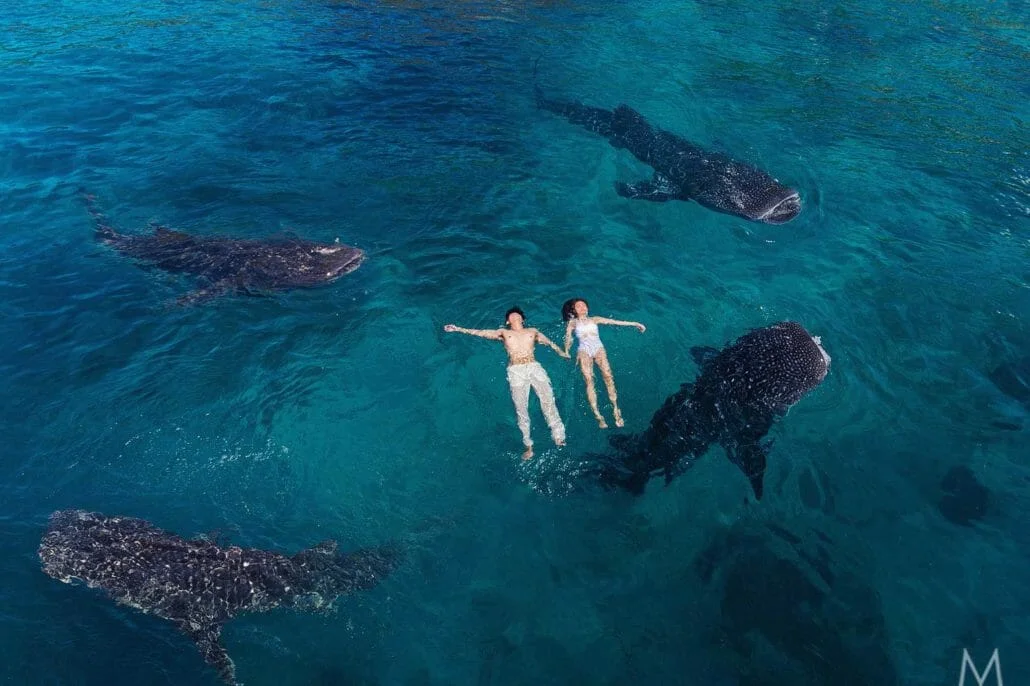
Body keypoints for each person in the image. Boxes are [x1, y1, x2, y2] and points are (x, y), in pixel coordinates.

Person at [444, 306, 569, 460]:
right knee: (521, 408)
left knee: (548, 401)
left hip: (534, 367)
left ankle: (559, 436)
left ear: (523, 319)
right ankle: (528, 445)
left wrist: (561, 352)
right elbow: (482, 333)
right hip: (516, 370)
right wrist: (459, 329)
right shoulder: (504, 333)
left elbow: (549, 343)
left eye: (518, 315)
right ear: (507, 321)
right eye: (511, 316)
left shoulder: (533, 331)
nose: (515, 317)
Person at [561, 298, 646, 429]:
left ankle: (616, 409)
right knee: (589, 381)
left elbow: (615, 322)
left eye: (584, 305)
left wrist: (635, 323)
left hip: (599, 349)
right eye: (579, 306)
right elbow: (568, 338)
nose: (583, 308)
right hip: (584, 351)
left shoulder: (595, 319)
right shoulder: (572, 323)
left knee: (608, 377)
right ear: (574, 311)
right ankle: (598, 415)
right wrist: (566, 351)